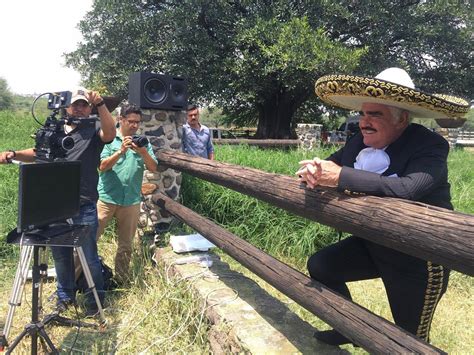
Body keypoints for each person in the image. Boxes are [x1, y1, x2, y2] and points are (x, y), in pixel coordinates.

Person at [296, 68, 469, 346]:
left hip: (419, 254)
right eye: (363, 114)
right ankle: (347, 327)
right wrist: (313, 171)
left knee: (409, 337)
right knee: (322, 265)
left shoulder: (430, 145)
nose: (364, 122)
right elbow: (328, 165)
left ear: (402, 118)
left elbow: (408, 189)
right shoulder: (356, 142)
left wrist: (340, 176)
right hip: (373, 241)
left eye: (375, 114)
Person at [0, 88, 116, 316]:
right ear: (66, 107)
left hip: (83, 204)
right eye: (75, 105)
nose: (79, 108)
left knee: (89, 255)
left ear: (89, 108)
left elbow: (110, 134)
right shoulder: (53, 128)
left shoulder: (93, 128)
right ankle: (65, 296)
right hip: (53, 205)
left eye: (83, 105)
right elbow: (37, 152)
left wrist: (101, 104)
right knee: (60, 255)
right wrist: (13, 154)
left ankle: (95, 300)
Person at [96, 103, 158, 284]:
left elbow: (153, 167)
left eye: (137, 122)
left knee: (126, 246)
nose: (135, 126)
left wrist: (143, 152)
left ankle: (120, 281)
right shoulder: (109, 139)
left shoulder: (141, 142)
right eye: (131, 121)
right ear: (120, 120)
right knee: (90, 240)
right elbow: (102, 166)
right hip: (107, 198)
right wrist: (120, 151)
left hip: (130, 200)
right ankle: (79, 280)